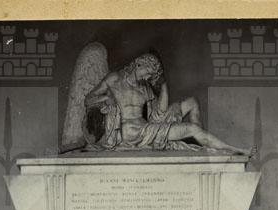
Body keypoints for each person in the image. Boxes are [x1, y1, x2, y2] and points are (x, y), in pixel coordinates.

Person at [85, 53, 251, 153]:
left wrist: (163, 84)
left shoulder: (144, 88)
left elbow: (161, 113)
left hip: (147, 129)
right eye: (147, 73)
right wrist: (107, 99)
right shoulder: (115, 79)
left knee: (192, 121)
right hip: (131, 132)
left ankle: (224, 149)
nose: (147, 78)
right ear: (139, 64)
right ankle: (231, 149)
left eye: (151, 76)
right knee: (192, 129)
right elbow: (88, 99)